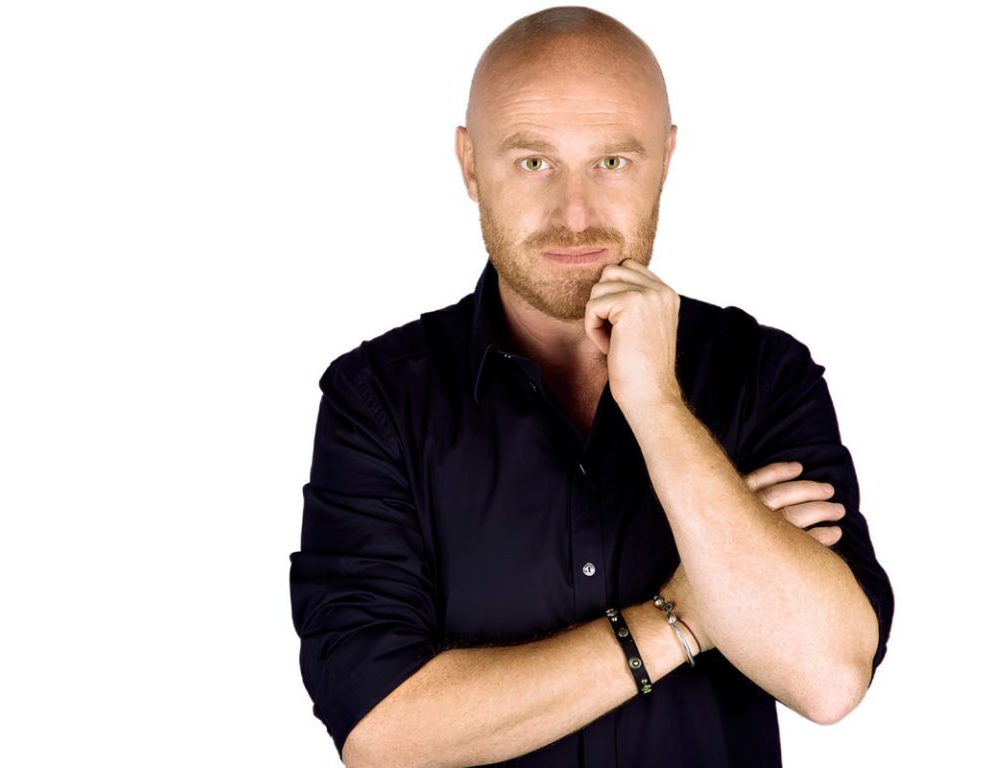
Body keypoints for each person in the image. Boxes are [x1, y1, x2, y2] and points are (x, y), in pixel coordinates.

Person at [289, 7, 893, 767]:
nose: (574, 216)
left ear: (664, 160)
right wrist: (684, 617)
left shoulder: (764, 376)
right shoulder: (376, 399)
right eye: (533, 162)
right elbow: (383, 730)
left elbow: (828, 677)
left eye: (612, 161)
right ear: (470, 165)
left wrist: (658, 405)